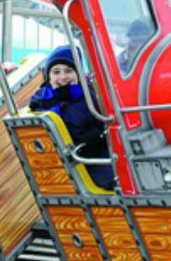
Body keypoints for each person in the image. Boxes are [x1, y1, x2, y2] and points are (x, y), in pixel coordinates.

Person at [29, 45, 115, 190]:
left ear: (78, 74)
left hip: (93, 157)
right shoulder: (40, 100)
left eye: (69, 71)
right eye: (56, 72)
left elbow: (83, 130)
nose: (62, 77)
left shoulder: (88, 96)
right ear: (48, 76)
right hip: (60, 166)